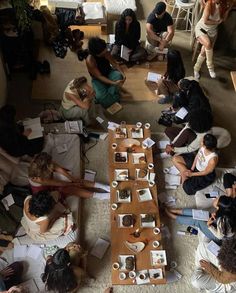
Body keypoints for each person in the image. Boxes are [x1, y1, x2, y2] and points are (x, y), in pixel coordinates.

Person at [28, 152, 110, 199]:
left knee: (77, 180)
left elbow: (58, 168)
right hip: (47, 190)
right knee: (71, 189)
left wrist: (73, 179)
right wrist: (72, 184)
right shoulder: (39, 179)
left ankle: (105, 187)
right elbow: (58, 183)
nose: (52, 163)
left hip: (51, 179)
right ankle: (100, 196)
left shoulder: (41, 160)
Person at [165, 195, 236, 244]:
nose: (215, 198)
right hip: (220, 227)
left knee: (198, 221)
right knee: (202, 213)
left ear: (219, 206)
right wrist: (215, 216)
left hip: (218, 238)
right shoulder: (226, 211)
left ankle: (175, 217)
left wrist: (209, 226)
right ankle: (176, 211)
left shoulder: (223, 220)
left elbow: (219, 236)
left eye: (217, 199)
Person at [193, 0, 233, 79]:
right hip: (201, 29)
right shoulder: (209, 4)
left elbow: (223, 19)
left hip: (212, 32)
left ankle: (196, 69)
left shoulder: (223, 5)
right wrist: (217, 22)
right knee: (208, 44)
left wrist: (229, 9)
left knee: (204, 51)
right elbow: (205, 21)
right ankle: (210, 67)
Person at [85, 37, 126, 109]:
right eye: (103, 51)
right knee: (101, 97)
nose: (106, 51)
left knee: (119, 75)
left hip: (109, 72)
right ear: (96, 54)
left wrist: (123, 74)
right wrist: (114, 83)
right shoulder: (90, 60)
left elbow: (115, 64)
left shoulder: (105, 52)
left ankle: (107, 96)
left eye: (105, 49)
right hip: (97, 79)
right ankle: (113, 96)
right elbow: (100, 76)